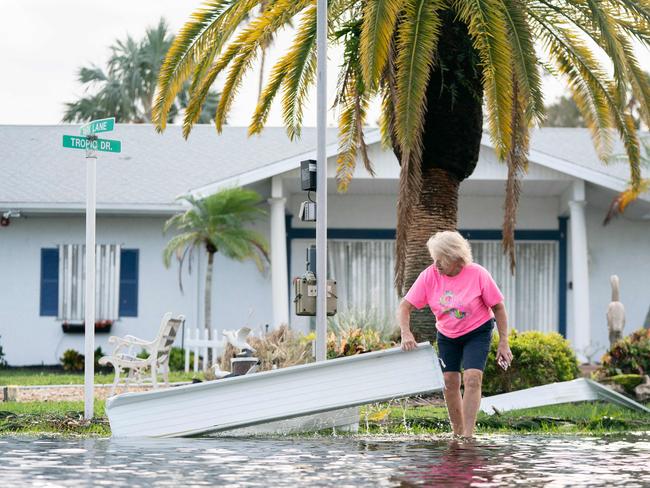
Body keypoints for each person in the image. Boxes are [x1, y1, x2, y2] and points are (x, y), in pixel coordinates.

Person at [398, 230, 512, 438]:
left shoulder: (478, 274)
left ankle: (468, 436)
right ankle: (457, 432)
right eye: (434, 259)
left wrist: (504, 342)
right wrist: (406, 333)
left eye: (441, 259)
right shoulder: (429, 276)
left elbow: (498, 308)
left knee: (472, 378)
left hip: (477, 331)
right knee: (450, 381)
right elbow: (405, 306)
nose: (436, 264)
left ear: (455, 257)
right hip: (447, 335)